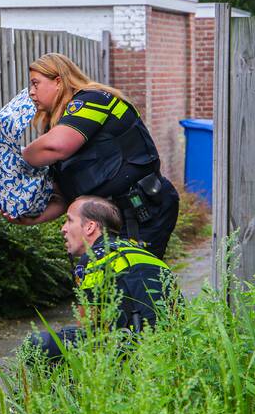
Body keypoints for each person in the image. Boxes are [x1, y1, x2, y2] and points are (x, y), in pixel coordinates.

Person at [17, 53, 180, 258]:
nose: (31, 92)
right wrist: (29, 217)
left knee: (131, 274)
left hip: (141, 212)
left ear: (58, 81)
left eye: (35, 84)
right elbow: (63, 196)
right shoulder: (58, 125)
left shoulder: (93, 100)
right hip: (105, 218)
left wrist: (14, 159)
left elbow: (55, 147)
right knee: (101, 275)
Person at [27, 196, 177, 362]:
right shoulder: (143, 253)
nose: (63, 228)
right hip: (171, 348)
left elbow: (87, 327)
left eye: (69, 220)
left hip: (133, 352)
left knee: (39, 343)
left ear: (90, 227)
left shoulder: (95, 259)